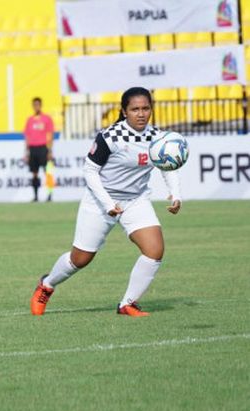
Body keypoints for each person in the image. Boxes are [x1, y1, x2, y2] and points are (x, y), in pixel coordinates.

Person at [30, 87, 181, 318]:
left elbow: (168, 165)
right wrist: (109, 203)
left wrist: (175, 193)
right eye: (135, 109)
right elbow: (90, 171)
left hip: (135, 200)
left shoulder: (157, 137)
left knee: (154, 250)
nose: (141, 114)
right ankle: (47, 285)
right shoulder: (110, 137)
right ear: (124, 111)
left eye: (145, 108)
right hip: (100, 201)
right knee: (80, 259)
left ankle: (127, 304)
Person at [23, 97, 54, 202]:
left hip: (43, 148)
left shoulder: (46, 119)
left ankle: (49, 195)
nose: (36, 106)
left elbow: (49, 135)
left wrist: (49, 150)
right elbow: (27, 137)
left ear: (41, 105)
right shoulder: (30, 120)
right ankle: (36, 196)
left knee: (47, 172)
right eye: (34, 105)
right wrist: (26, 152)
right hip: (32, 148)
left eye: (38, 104)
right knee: (34, 173)